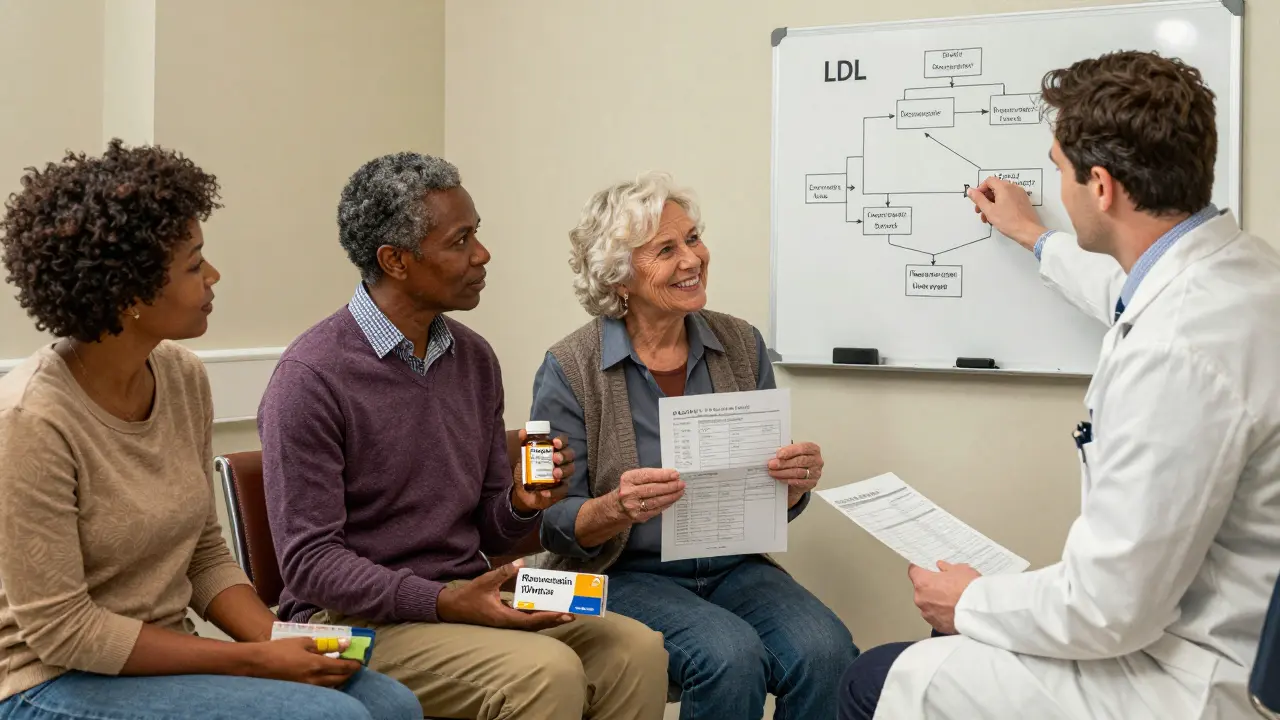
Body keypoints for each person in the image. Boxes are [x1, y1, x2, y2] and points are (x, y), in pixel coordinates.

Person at [839, 50, 1280, 720]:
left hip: (1185, 675)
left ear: (1100, 186)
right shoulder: (1239, 273)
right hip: (1211, 630)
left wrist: (970, 599)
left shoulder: (1176, 352)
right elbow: (1129, 295)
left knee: (878, 677)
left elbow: (1109, 611)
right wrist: (1035, 237)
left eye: (1059, 170)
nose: (1060, 185)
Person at [0, 140, 421, 720]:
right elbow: (63, 632)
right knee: (332, 719)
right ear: (130, 295)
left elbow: (201, 552)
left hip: (157, 656)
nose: (214, 275)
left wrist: (274, 638)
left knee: (391, 703)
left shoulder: (181, 376)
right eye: (195, 264)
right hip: (49, 682)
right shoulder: (30, 420)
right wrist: (252, 662)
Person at [257, 151, 670, 720]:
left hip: (463, 592)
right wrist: (446, 601)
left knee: (637, 650)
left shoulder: (473, 358)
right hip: (351, 620)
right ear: (395, 261)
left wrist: (523, 504)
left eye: (478, 233)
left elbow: (490, 529)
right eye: (460, 241)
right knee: (544, 674)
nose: (482, 254)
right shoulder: (311, 378)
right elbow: (310, 565)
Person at [530, 171, 858, 720]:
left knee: (826, 651)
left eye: (693, 237)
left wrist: (793, 485)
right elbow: (550, 520)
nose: (692, 258)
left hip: (733, 567)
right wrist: (615, 508)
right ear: (620, 277)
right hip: (621, 573)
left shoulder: (740, 342)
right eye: (666, 249)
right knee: (728, 656)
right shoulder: (570, 367)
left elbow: (767, 493)